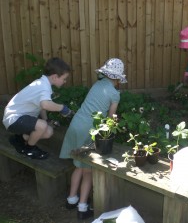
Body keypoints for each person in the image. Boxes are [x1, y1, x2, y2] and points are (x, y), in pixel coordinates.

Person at [59, 58, 127, 220]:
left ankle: (71, 200)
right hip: (87, 130)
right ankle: (82, 208)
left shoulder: (97, 85)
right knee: (88, 171)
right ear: (117, 79)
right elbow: (110, 118)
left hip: (75, 124)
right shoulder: (115, 94)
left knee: (78, 166)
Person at [2, 57, 73, 159]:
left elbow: (41, 106)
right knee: (41, 126)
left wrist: (46, 120)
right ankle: (30, 149)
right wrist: (62, 108)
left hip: (21, 119)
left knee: (48, 132)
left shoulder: (44, 84)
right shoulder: (43, 86)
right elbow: (45, 105)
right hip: (13, 118)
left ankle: (19, 139)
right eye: (64, 79)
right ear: (54, 77)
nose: (65, 81)